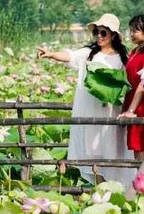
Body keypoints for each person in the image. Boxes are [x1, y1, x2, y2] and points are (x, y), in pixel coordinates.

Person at [37, 13, 132, 184]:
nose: (99, 36)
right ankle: (100, 187)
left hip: (110, 110)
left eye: (103, 33)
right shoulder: (88, 54)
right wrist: (50, 53)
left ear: (113, 35)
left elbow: (128, 81)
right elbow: (69, 56)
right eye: (96, 32)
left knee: (110, 148)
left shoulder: (122, 58)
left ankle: (112, 189)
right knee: (91, 150)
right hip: (89, 108)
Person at [117, 14, 144, 165]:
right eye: (131, 30)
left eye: (135, 31)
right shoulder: (135, 52)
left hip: (143, 108)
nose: (131, 34)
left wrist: (131, 110)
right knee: (139, 151)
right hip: (133, 104)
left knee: (142, 150)